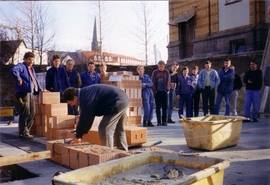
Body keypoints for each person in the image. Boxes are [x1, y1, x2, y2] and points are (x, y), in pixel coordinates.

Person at [63, 84, 129, 151]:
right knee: (119, 129)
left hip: (116, 102)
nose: (72, 105)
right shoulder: (85, 93)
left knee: (104, 128)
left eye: (71, 103)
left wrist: (78, 136)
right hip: (123, 99)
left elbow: (86, 118)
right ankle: (124, 153)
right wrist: (80, 132)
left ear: (75, 98)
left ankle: (108, 154)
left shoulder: (86, 98)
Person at [10, 52, 48, 139]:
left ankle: (26, 131)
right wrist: (18, 78)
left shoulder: (31, 69)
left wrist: (42, 89)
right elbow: (13, 70)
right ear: (25, 59)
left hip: (30, 92)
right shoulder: (21, 66)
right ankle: (23, 133)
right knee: (25, 112)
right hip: (22, 93)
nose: (31, 61)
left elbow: (35, 80)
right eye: (29, 59)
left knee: (32, 113)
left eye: (32, 60)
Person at [151, 60, 171, 126]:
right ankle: (158, 122)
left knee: (165, 108)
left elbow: (168, 81)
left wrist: (167, 89)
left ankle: (164, 121)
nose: (161, 68)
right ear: (158, 66)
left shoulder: (166, 72)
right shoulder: (155, 72)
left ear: (164, 66)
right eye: (159, 66)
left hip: (164, 92)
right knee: (158, 108)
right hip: (157, 92)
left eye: (162, 66)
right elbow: (152, 82)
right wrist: (155, 90)